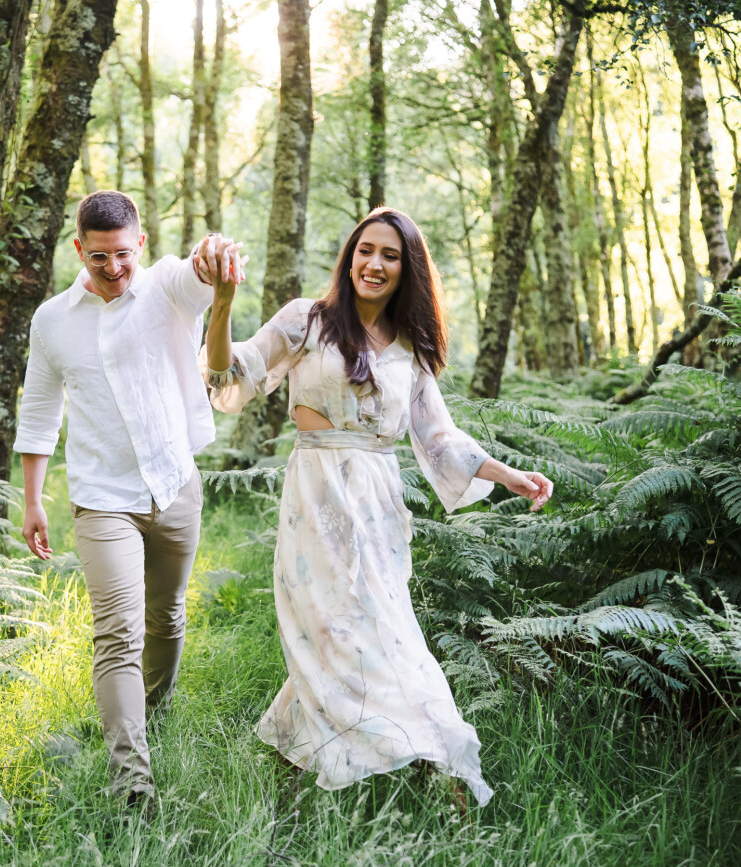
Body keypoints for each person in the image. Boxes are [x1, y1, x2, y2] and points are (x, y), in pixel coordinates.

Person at [200, 207, 552, 806]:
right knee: (331, 632)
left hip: (378, 507)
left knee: (384, 634)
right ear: (350, 255)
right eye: (366, 250)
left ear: (406, 270)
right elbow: (229, 377)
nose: (375, 264)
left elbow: (439, 438)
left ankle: (423, 753)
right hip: (314, 498)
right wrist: (224, 302)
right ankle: (368, 762)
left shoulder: (409, 350)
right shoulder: (306, 322)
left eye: (390, 255)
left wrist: (510, 475)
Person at [13, 190, 245, 806]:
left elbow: (199, 272)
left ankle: (152, 717)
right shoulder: (52, 320)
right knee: (116, 633)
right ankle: (131, 781)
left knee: (165, 619)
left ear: (139, 243)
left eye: (121, 254)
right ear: (78, 250)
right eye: (98, 258)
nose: (112, 268)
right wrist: (33, 501)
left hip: (174, 488)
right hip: (101, 499)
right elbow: (39, 411)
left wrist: (214, 255)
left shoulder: (167, 287)